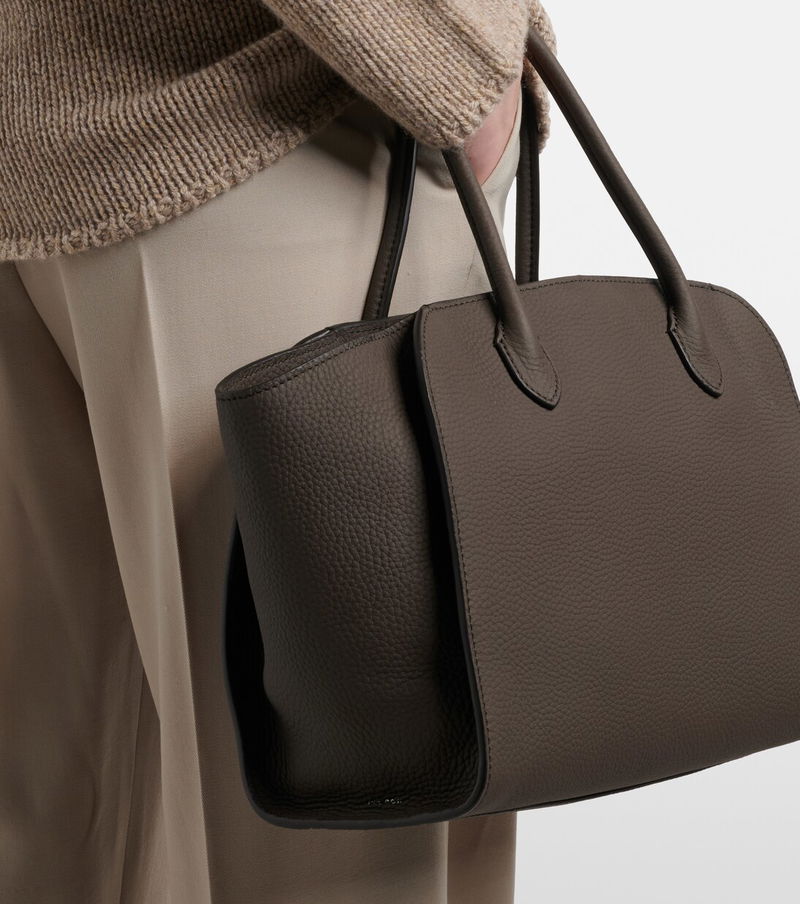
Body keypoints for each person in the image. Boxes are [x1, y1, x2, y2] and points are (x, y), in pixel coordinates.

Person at [0, 2, 555, 902]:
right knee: (344, 828)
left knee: (63, 816)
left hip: (50, 139)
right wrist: (455, 60)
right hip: (281, 128)